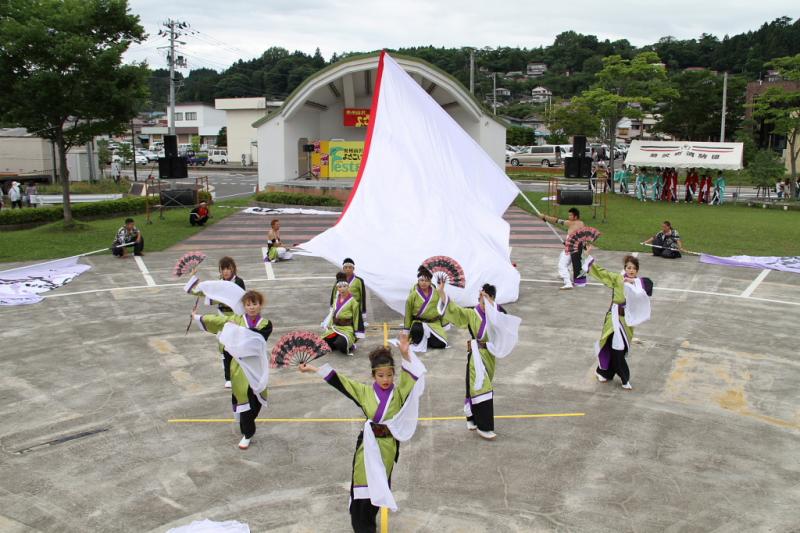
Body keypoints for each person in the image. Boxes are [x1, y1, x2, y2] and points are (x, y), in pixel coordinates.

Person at [299, 334, 426, 532]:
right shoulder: (364, 392)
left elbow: (413, 375)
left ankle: (366, 525)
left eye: (389, 375)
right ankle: (362, 527)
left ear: (394, 374)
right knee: (361, 489)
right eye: (380, 375)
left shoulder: (400, 393)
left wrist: (406, 354)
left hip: (387, 449)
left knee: (377, 490)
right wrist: (314, 369)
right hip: (367, 447)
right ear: (373, 376)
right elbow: (341, 382)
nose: (385, 379)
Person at [436, 281, 519, 440]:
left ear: (492, 298)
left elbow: (507, 332)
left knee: (476, 387)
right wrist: (441, 292)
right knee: (481, 388)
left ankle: (473, 417)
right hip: (475, 355)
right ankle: (484, 426)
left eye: (485, 296)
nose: (481, 300)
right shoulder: (472, 313)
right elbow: (455, 311)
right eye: (480, 296)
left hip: (490, 356)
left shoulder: (499, 313)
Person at [192, 290, 272, 450]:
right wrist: (198, 317)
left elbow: (259, 338)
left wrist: (237, 330)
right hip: (239, 367)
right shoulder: (235, 319)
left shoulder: (265, 323)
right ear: (244, 306)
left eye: (254, 304)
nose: (251, 307)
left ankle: (246, 421)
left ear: (260, 305)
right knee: (244, 397)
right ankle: (247, 433)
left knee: (256, 401)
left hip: (256, 366)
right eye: (248, 304)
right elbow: (217, 321)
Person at [583, 246, 652, 390]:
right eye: (628, 268)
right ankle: (624, 378)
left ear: (637, 270)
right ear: (625, 268)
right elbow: (601, 273)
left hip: (626, 321)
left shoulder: (639, 283)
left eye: (633, 268)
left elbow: (649, 286)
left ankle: (604, 373)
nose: (631, 270)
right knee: (614, 346)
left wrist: (634, 283)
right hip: (613, 317)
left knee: (618, 348)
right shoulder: (617, 279)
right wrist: (587, 256)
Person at [539, 208, 586, 290]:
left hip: (571, 249)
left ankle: (568, 282)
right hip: (577, 248)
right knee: (563, 257)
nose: (569, 216)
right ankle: (564, 274)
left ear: (576, 216)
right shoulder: (581, 223)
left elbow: (556, 220)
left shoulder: (571, 223)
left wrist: (545, 217)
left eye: (571, 215)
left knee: (562, 264)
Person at [216, 257, 246, 388]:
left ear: (233, 268)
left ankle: (240, 374)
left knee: (236, 346)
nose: (226, 271)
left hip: (236, 316)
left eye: (228, 268)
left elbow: (241, 299)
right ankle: (227, 377)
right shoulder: (218, 282)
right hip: (222, 315)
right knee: (224, 346)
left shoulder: (239, 282)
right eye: (223, 269)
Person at [403, 265, 448, 352]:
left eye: (427, 281)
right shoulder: (413, 295)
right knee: (416, 330)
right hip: (418, 323)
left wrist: (444, 324)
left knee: (440, 344)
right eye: (421, 280)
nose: (424, 283)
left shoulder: (436, 293)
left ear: (430, 282)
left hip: (434, 323)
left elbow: (443, 307)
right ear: (418, 281)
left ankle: (427, 339)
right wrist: (406, 331)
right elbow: (408, 313)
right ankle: (420, 338)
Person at [322, 272, 364, 355]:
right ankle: (336, 341)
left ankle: (350, 345)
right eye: (340, 287)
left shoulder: (353, 301)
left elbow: (357, 318)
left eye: (344, 286)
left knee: (341, 344)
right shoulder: (336, 299)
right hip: (335, 327)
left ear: (348, 287)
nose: (342, 289)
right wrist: (329, 325)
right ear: (337, 289)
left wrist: (357, 333)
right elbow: (332, 314)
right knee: (323, 343)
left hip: (347, 328)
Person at [330, 258, 368, 324]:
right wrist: (332, 307)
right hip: (341, 307)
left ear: (353, 269)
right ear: (343, 269)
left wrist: (363, 312)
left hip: (354, 307)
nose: (348, 269)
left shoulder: (359, 280)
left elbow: (362, 297)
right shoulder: (339, 280)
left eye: (350, 267)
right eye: (346, 267)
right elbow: (334, 294)